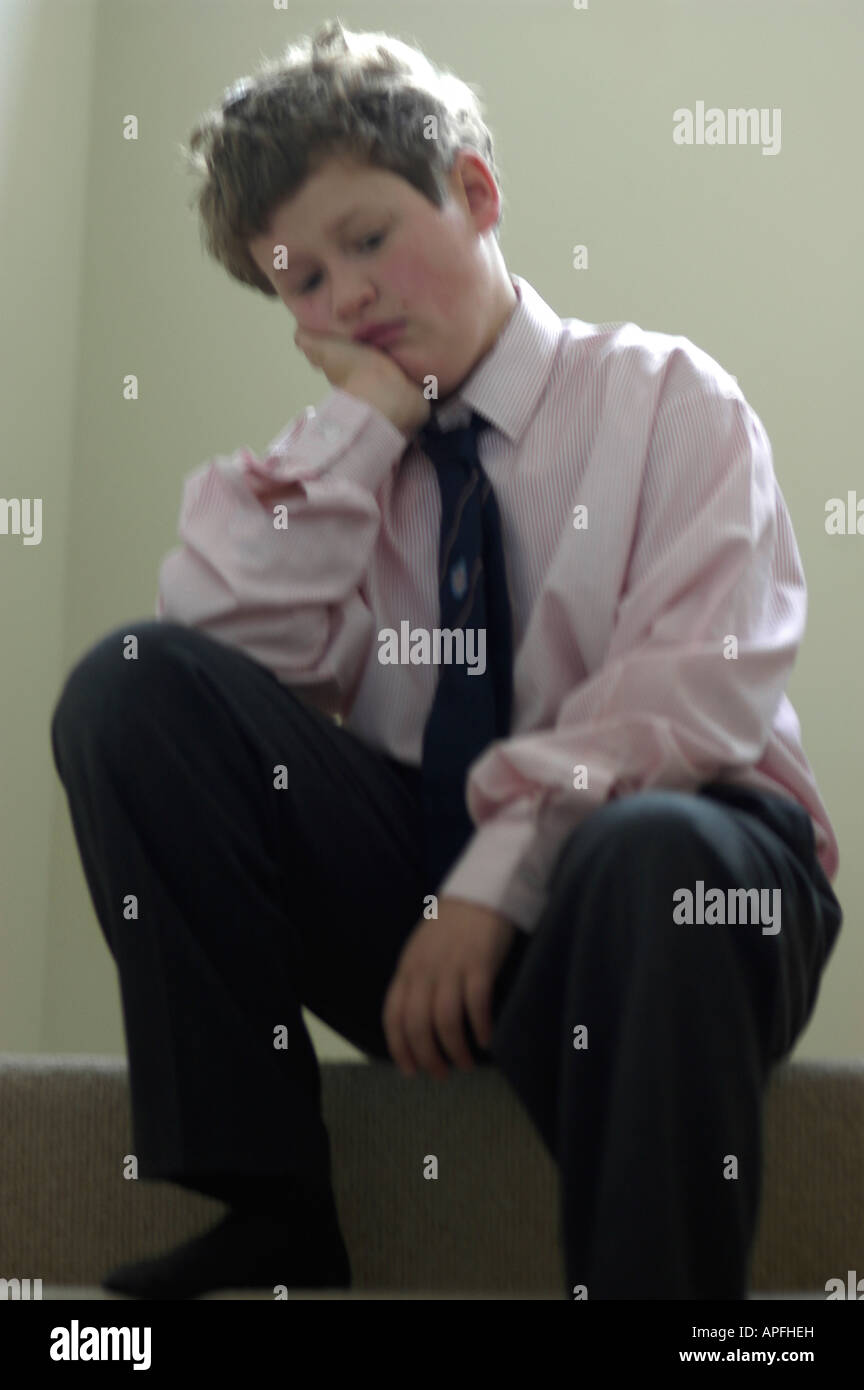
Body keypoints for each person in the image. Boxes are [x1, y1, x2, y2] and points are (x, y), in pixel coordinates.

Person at [50, 19, 843, 1300]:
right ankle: (272, 1221)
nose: (346, 294)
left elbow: (694, 682)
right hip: (424, 913)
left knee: (653, 852)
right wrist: (366, 431)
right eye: (302, 280)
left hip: (678, 894)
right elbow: (216, 682)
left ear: (474, 192)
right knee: (128, 685)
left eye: (367, 240)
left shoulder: (666, 399)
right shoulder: (326, 472)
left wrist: (498, 872)